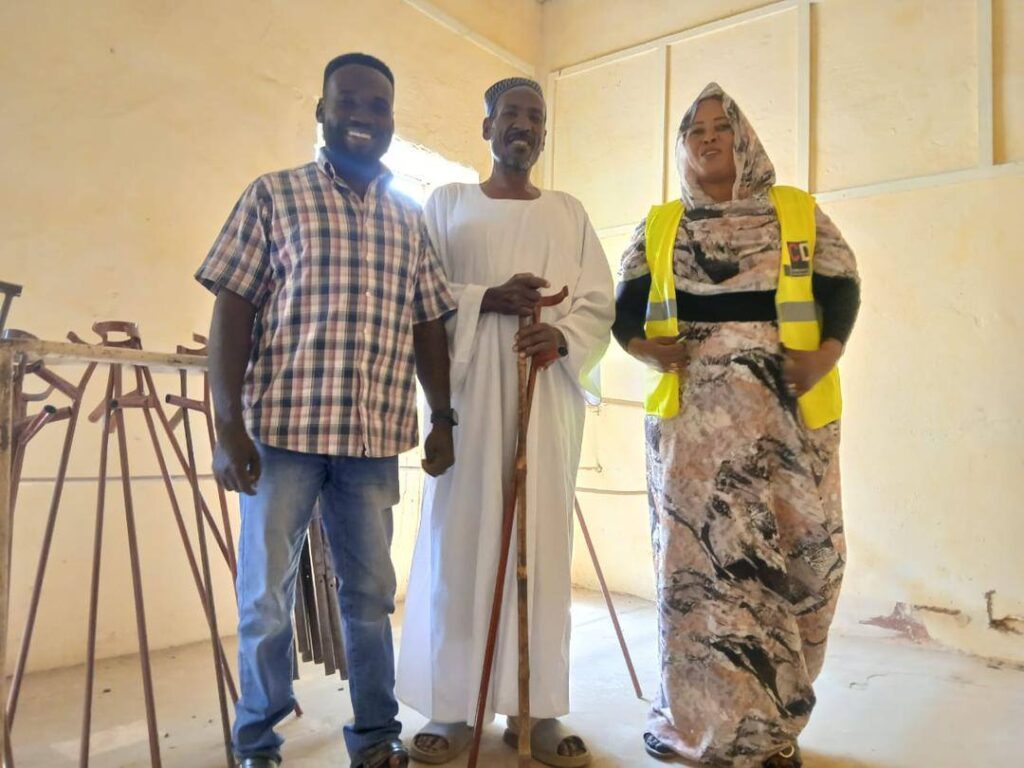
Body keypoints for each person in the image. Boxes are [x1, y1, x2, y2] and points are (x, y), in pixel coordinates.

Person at [196, 53, 457, 768]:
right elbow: (232, 310)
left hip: (371, 442)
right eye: (349, 101)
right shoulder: (273, 196)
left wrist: (442, 417)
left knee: (370, 597)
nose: (363, 116)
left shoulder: (410, 221)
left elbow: (428, 325)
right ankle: (257, 739)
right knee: (265, 599)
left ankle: (375, 737)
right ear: (322, 110)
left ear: (391, 119)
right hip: (280, 436)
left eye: (378, 105)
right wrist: (227, 428)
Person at [613, 83, 860, 768]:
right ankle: (700, 724)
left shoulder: (796, 212)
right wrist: (644, 350)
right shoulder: (662, 226)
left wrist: (827, 353)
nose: (708, 137)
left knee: (802, 569)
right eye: (695, 129)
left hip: (786, 433)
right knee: (701, 580)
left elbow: (841, 287)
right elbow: (625, 310)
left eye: (722, 126)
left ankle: (773, 724)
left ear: (744, 138)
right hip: (692, 442)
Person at [396, 77, 615, 768]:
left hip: (544, 395)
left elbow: (598, 301)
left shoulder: (569, 212)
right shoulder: (447, 203)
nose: (524, 125)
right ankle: (453, 705)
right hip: (466, 395)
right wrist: (486, 298)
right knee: (460, 544)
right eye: (511, 113)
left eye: (535, 116)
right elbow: (421, 294)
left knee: (540, 544)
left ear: (544, 133)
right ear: (487, 126)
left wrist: (563, 337)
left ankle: (536, 708)